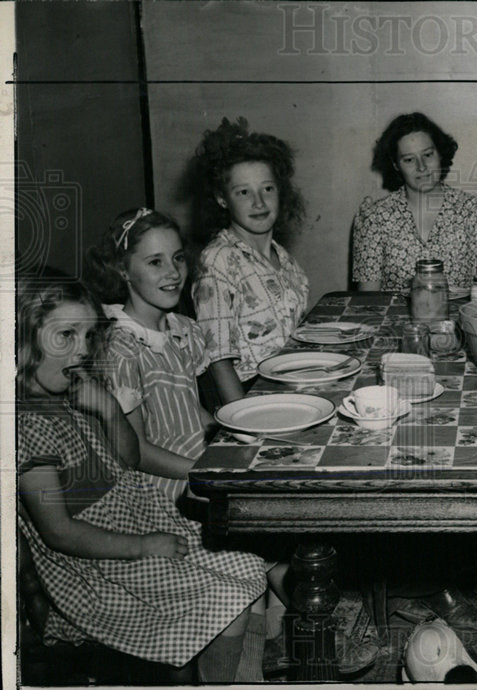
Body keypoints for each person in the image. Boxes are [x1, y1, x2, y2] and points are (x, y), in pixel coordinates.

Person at [15, 277, 269, 681]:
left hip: (142, 520)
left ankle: (235, 678)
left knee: (250, 567)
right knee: (226, 598)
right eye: (66, 334)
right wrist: (143, 546)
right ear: (23, 339)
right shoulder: (27, 427)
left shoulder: (75, 391)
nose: (82, 349)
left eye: (87, 335)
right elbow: (59, 533)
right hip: (100, 564)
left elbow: (129, 458)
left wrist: (111, 412)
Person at [85, 208, 213, 504]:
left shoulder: (184, 330)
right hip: (161, 486)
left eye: (178, 258)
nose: (173, 272)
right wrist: (205, 473)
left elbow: (192, 413)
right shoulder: (121, 346)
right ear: (122, 269)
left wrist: (233, 440)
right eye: (156, 262)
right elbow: (137, 452)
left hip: (197, 460)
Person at [191, 117, 309, 406]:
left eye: (267, 189)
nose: (259, 202)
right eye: (243, 192)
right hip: (251, 396)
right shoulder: (217, 260)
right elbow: (219, 360)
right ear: (222, 199)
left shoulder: (282, 256)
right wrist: (245, 423)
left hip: (292, 385)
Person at [353, 112, 477, 292]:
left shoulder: (474, 211)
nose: (421, 167)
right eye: (409, 159)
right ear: (396, 165)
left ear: (440, 154)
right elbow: (368, 301)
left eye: (427, 155)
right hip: (395, 319)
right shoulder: (374, 218)